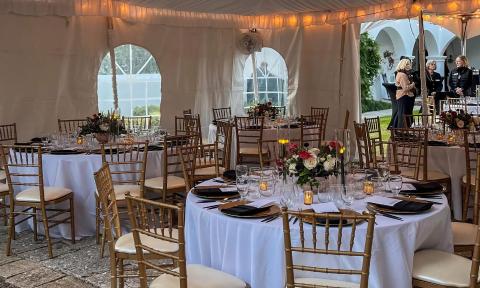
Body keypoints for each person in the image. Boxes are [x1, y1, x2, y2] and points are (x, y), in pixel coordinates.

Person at [392, 59, 416, 128]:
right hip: (404, 96)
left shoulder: (401, 74)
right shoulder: (402, 75)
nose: (409, 66)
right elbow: (405, 88)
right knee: (404, 114)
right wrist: (413, 84)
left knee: (402, 113)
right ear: (403, 65)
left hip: (402, 96)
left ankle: (401, 129)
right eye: (407, 64)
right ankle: (403, 130)